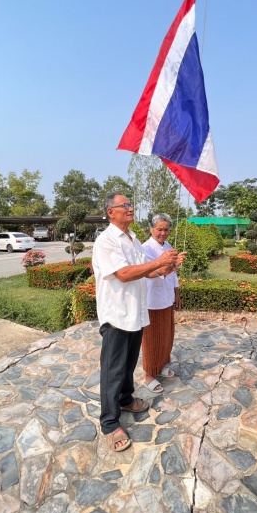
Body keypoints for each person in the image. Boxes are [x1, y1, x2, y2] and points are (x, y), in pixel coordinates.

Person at [92, 193, 179, 452]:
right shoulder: (106, 241)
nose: (130, 208)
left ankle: (126, 399)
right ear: (111, 212)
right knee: (113, 370)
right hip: (117, 314)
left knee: (128, 363)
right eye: (125, 205)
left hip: (135, 313)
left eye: (130, 205)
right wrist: (158, 261)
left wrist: (165, 268)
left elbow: (145, 271)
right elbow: (123, 273)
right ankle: (109, 423)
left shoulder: (133, 239)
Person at [141, 214, 186, 392]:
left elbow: (173, 275)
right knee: (151, 338)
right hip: (152, 300)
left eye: (166, 229)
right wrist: (170, 267)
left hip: (166, 298)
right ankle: (149, 374)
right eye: (159, 229)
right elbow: (150, 273)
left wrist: (176, 293)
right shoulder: (146, 248)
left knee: (167, 335)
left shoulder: (168, 247)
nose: (163, 233)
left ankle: (161, 366)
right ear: (151, 229)